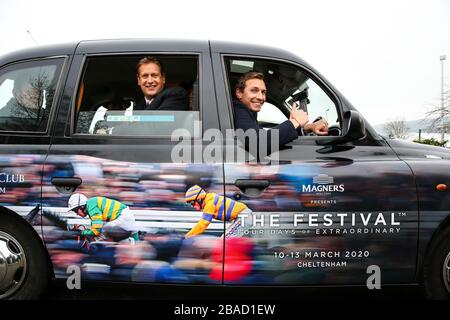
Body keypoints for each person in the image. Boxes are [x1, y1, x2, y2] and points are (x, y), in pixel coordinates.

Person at [233, 72, 329, 154]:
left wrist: (307, 127)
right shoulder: (238, 109)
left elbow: (262, 136)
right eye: (254, 90)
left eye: (263, 92)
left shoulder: (248, 112)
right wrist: (295, 122)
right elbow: (259, 143)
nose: (261, 97)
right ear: (239, 93)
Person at [184, 185, 253, 238]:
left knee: (224, 242)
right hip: (243, 216)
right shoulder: (210, 199)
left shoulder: (209, 204)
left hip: (244, 217)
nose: (192, 206)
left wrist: (187, 236)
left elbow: (203, 224)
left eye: (192, 203)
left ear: (199, 199)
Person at [67, 193, 139, 241]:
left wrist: (80, 233)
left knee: (103, 233)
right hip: (123, 216)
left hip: (122, 217)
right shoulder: (91, 205)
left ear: (82, 206)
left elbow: (96, 231)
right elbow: (95, 228)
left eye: (76, 211)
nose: (76, 214)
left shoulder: (91, 207)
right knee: (102, 233)